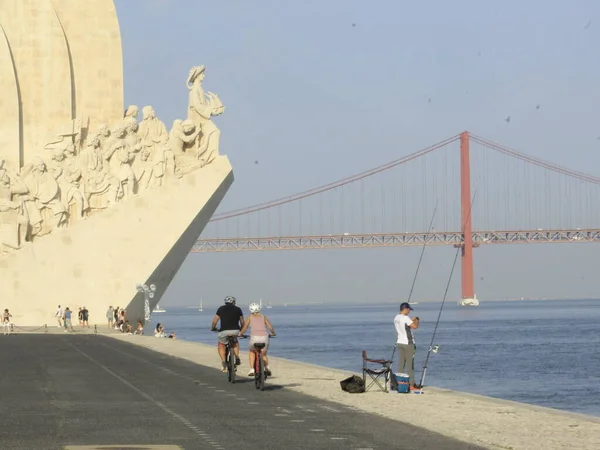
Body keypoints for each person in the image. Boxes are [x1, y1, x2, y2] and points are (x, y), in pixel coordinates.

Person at [239, 302, 276, 377]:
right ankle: (266, 367)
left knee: (252, 351)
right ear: (259, 309)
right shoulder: (263, 317)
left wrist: (240, 334)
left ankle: (252, 369)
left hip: (254, 338)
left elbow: (245, 327)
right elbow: (270, 327)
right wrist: (273, 333)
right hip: (264, 337)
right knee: (264, 353)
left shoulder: (250, 317)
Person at [210, 296, 244, 373]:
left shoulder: (221, 309)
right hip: (235, 331)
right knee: (235, 342)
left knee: (221, 345)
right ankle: (237, 357)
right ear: (233, 302)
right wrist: (242, 331)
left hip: (224, 331)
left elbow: (215, 321)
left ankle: (223, 362)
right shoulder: (238, 309)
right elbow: (242, 322)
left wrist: (213, 328)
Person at [394, 302, 420, 390]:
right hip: (408, 344)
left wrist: (410, 321)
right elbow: (415, 326)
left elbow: (405, 325)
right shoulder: (405, 318)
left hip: (399, 342)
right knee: (410, 365)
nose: (409, 312)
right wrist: (416, 319)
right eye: (409, 310)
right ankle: (412, 384)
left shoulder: (396, 318)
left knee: (401, 365)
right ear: (406, 309)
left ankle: (400, 382)